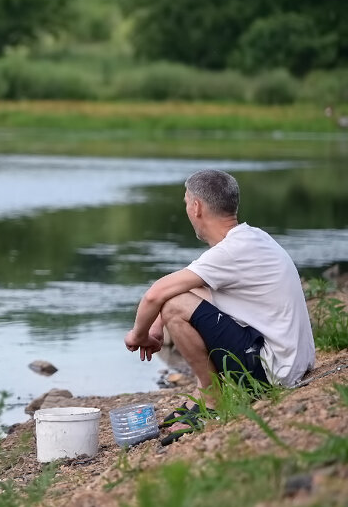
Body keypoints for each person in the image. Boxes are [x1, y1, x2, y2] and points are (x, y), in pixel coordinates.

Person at [123, 169, 315, 442]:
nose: (188, 209)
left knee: (175, 306)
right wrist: (155, 328)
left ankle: (212, 402)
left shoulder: (230, 252)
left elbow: (156, 294)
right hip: (289, 361)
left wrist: (138, 335)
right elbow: (194, 286)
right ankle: (204, 394)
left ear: (197, 207)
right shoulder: (252, 238)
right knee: (179, 300)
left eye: (186, 202)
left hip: (274, 372)